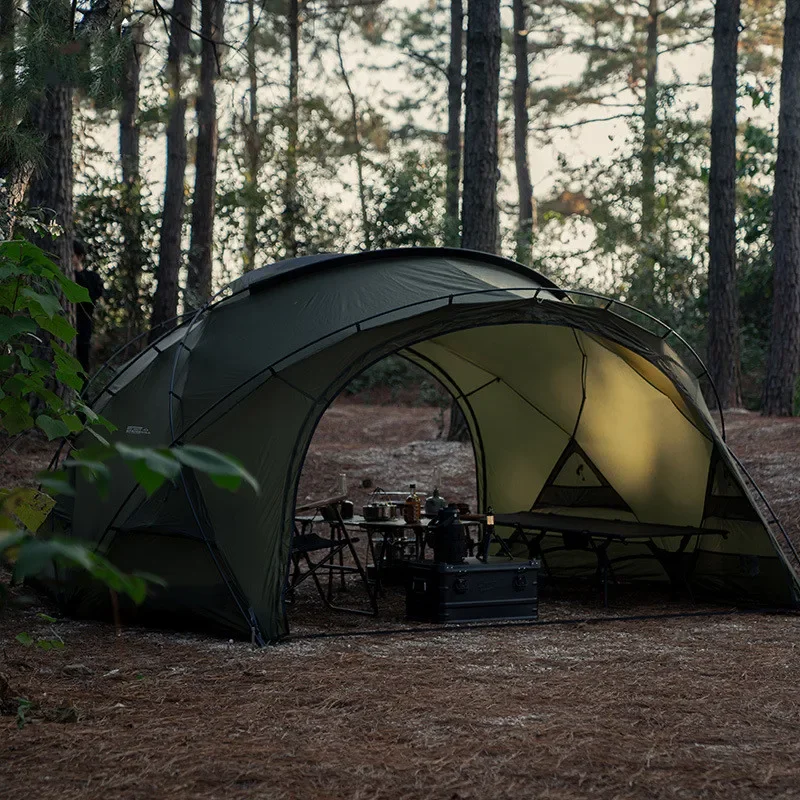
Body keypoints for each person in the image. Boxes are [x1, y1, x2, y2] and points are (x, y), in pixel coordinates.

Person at [72, 239, 104, 373]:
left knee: (82, 365)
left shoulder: (92, 277)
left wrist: (77, 273)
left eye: (72, 256)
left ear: (80, 257)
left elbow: (92, 296)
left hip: (83, 327)